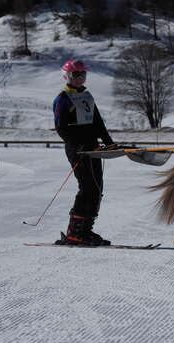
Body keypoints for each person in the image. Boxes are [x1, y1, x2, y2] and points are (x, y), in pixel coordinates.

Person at [52, 59, 116, 246]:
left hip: (92, 148)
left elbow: (97, 123)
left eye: (82, 74)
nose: (79, 78)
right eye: (75, 75)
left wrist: (108, 143)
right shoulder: (63, 98)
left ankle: (85, 230)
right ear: (67, 76)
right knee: (87, 188)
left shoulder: (87, 96)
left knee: (96, 189)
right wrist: (76, 145)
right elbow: (61, 127)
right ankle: (75, 233)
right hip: (77, 150)